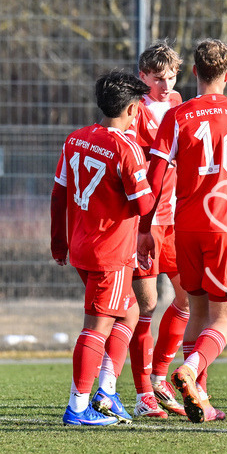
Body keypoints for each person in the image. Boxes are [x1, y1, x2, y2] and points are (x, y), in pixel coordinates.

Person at [138, 38, 227, 423]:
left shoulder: (177, 117)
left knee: (198, 312)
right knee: (223, 319)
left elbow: (155, 178)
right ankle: (189, 371)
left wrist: (144, 227)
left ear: (193, 72)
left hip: (185, 226)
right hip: (226, 226)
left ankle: (200, 398)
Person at [50, 70, 156, 426]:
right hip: (110, 253)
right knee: (96, 326)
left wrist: (59, 242)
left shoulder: (75, 139)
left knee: (128, 312)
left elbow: (59, 194)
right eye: (139, 107)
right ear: (131, 109)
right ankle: (78, 407)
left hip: (81, 246)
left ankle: (107, 391)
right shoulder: (126, 148)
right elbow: (144, 205)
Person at [117, 41, 191, 418]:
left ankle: (160, 376)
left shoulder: (178, 102)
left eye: (171, 77)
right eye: (158, 78)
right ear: (142, 76)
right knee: (146, 304)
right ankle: (143, 393)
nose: (165, 85)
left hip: (175, 220)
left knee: (187, 298)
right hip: (144, 221)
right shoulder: (135, 111)